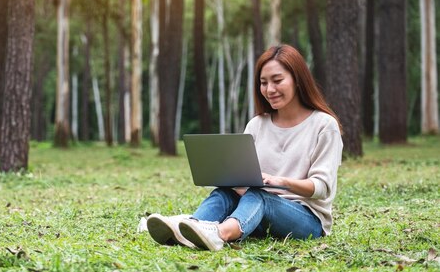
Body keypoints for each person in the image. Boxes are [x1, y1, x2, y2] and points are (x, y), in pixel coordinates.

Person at [147, 44, 343, 251]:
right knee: (224, 192)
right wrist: (234, 180)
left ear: (298, 79)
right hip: (256, 212)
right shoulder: (257, 124)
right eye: (263, 83)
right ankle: (190, 228)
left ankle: (219, 234)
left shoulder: (324, 125)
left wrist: (281, 182)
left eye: (277, 81)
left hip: (307, 220)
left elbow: (322, 188)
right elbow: (247, 176)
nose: (270, 90)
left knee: (260, 197)